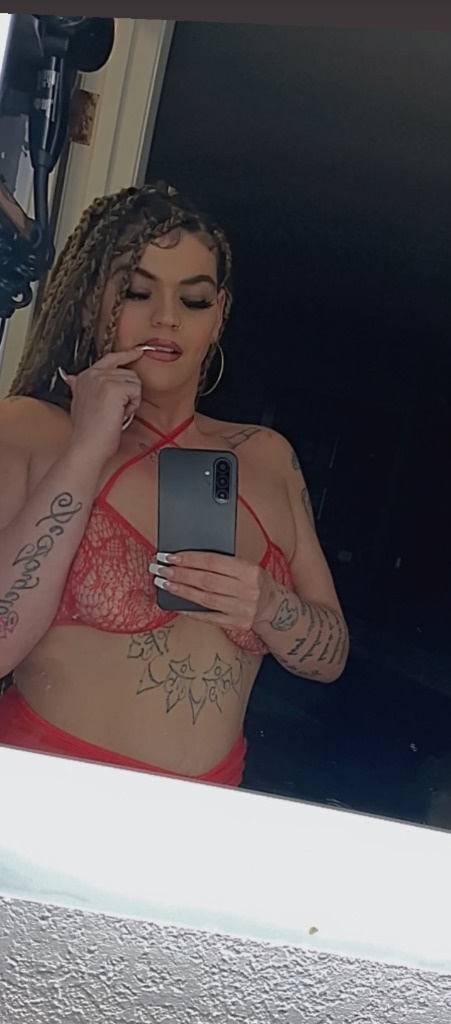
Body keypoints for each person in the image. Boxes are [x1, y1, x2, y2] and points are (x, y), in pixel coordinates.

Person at [0, 182, 349, 788]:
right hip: (46, 801)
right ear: (90, 303)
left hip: (206, 818)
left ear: (220, 315)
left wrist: (270, 606)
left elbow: (331, 656)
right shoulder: (29, 429)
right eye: (137, 292)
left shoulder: (268, 457)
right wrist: (86, 450)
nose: (166, 318)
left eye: (194, 300)